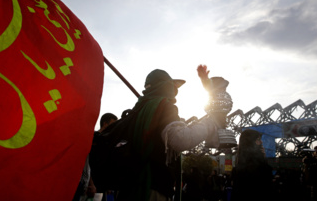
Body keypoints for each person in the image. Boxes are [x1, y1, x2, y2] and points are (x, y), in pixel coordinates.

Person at [116, 65, 221, 201]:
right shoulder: (164, 106)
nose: (175, 91)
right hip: (150, 188)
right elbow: (179, 139)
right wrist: (210, 124)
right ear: (165, 86)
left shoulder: (138, 108)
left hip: (129, 187)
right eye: (173, 86)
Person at [74, 113, 118, 201]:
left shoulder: (109, 142)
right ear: (105, 123)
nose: (115, 127)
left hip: (102, 186)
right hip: (89, 185)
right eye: (113, 124)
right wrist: (91, 183)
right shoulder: (91, 138)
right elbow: (85, 163)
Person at [231, 129, 273, 201]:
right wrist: (263, 159)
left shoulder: (237, 169)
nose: (261, 142)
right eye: (258, 139)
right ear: (250, 143)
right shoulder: (260, 168)